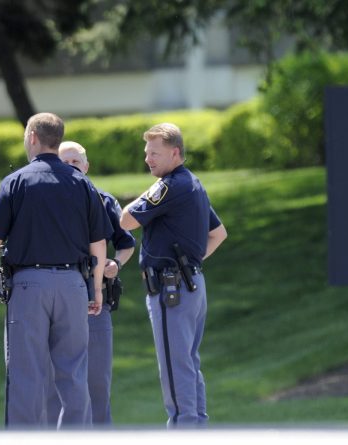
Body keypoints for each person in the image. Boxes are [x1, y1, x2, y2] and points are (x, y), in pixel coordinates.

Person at [0, 113, 111, 427]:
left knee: (26, 373)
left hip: (29, 286)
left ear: (32, 137)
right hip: (74, 284)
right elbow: (98, 243)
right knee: (74, 372)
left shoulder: (16, 181)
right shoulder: (82, 183)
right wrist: (96, 288)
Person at [120, 123, 227, 428]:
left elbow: (126, 220)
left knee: (174, 366)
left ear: (175, 153)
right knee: (187, 364)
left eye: (155, 153)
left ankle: (183, 431)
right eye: (146, 152)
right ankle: (196, 428)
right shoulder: (193, 183)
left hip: (172, 291)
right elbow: (218, 234)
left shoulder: (168, 186)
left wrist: (180, 268)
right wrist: (189, 264)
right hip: (191, 285)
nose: (148, 159)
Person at [53, 141, 136, 425]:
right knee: (57, 385)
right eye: (64, 163)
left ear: (86, 167)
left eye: (75, 162)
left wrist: (116, 264)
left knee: (97, 382)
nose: (70, 168)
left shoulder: (103, 200)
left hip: (94, 305)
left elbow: (126, 243)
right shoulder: (43, 201)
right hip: (55, 303)